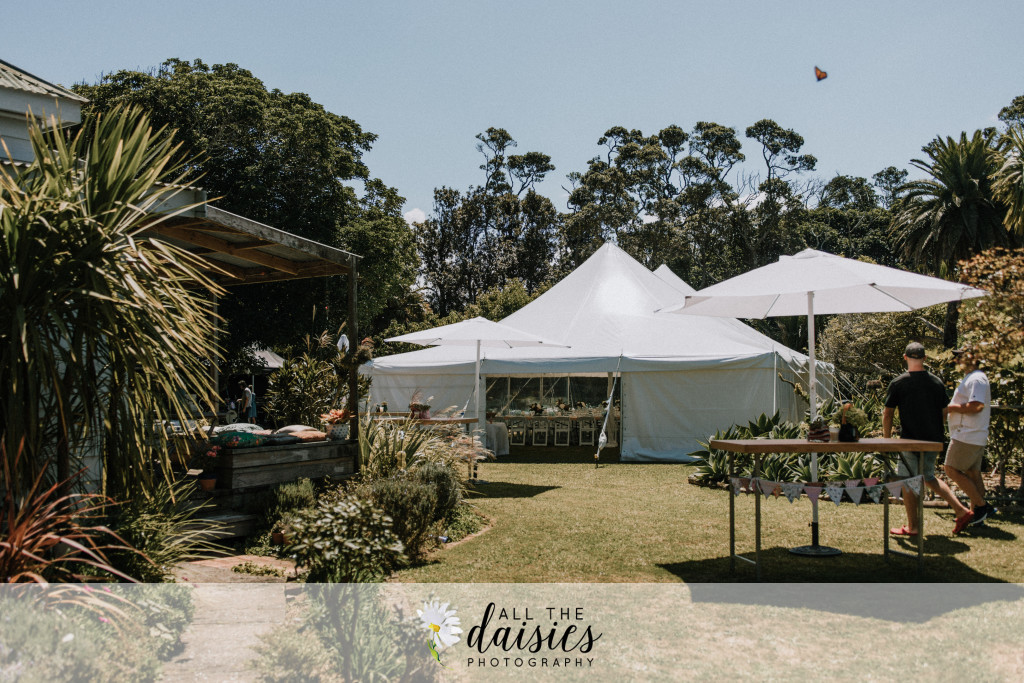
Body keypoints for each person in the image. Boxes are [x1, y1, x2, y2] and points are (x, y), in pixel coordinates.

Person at [882, 342, 973, 536]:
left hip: (909, 440)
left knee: (908, 481)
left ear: (905, 357)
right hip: (932, 439)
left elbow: (888, 414)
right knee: (928, 477)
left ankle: (913, 526)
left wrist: (887, 440)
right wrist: (935, 429)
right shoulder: (936, 382)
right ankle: (961, 510)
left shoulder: (898, 383)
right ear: (924, 358)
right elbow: (944, 411)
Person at [944, 348, 994, 525]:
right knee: (973, 473)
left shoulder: (976, 379)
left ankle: (982, 506)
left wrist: (950, 408)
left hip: (967, 433)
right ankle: (977, 516)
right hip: (973, 434)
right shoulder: (973, 377)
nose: (958, 361)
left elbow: (976, 406)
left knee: (950, 469)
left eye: (961, 357)